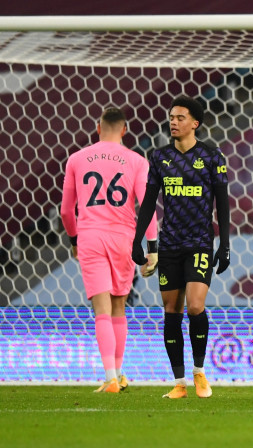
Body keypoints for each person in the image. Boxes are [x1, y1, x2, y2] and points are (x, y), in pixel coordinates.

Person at [131, 95, 231, 399]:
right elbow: (148, 203)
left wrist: (224, 245)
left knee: (196, 306)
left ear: (195, 123)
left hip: (200, 243)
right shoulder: (159, 157)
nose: (173, 122)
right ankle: (179, 382)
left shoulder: (212, 157)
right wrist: (138, 240)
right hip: (170, 244)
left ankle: (200, 372)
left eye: (180, 118)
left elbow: (223, 205)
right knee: (171, 311)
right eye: (171, 117)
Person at [60, 107, 158, 393]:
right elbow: (147, 207)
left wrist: (73, 239)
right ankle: (119, 373)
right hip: (124, 238)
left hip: (91, 236)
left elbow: (67, 211)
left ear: (97, 127)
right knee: (119, 307)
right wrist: (152, 248)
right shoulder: (137, 161)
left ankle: (111, 378)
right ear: (124, 131)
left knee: (101, 309)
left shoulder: (77, 159)